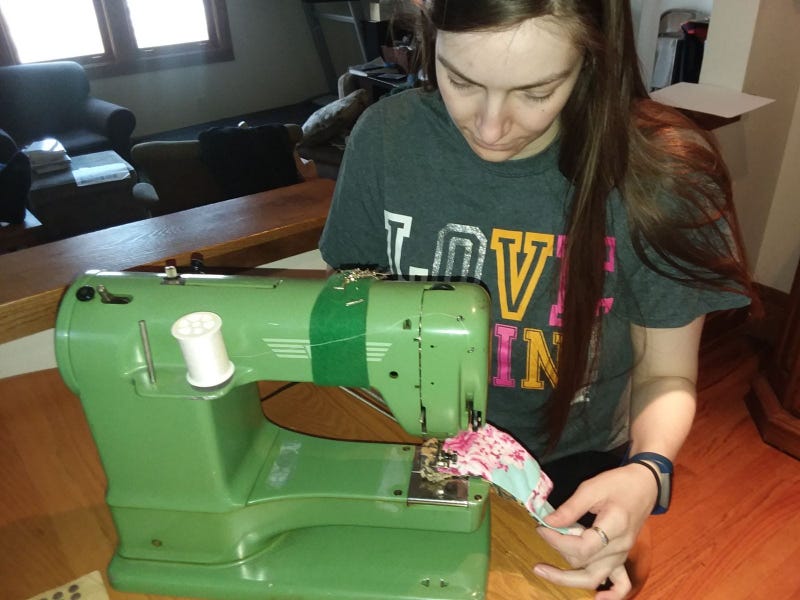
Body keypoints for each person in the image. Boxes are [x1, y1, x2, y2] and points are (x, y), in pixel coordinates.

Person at [319, 1, 754, 597]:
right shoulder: (386, 139)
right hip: (410, 445)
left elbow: (667, 376)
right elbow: (354, 308)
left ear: (591, 60)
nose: (490, 127)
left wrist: (649, 471)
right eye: (461, 79)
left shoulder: (665, 178)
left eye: (536, 91)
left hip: (569, 472)